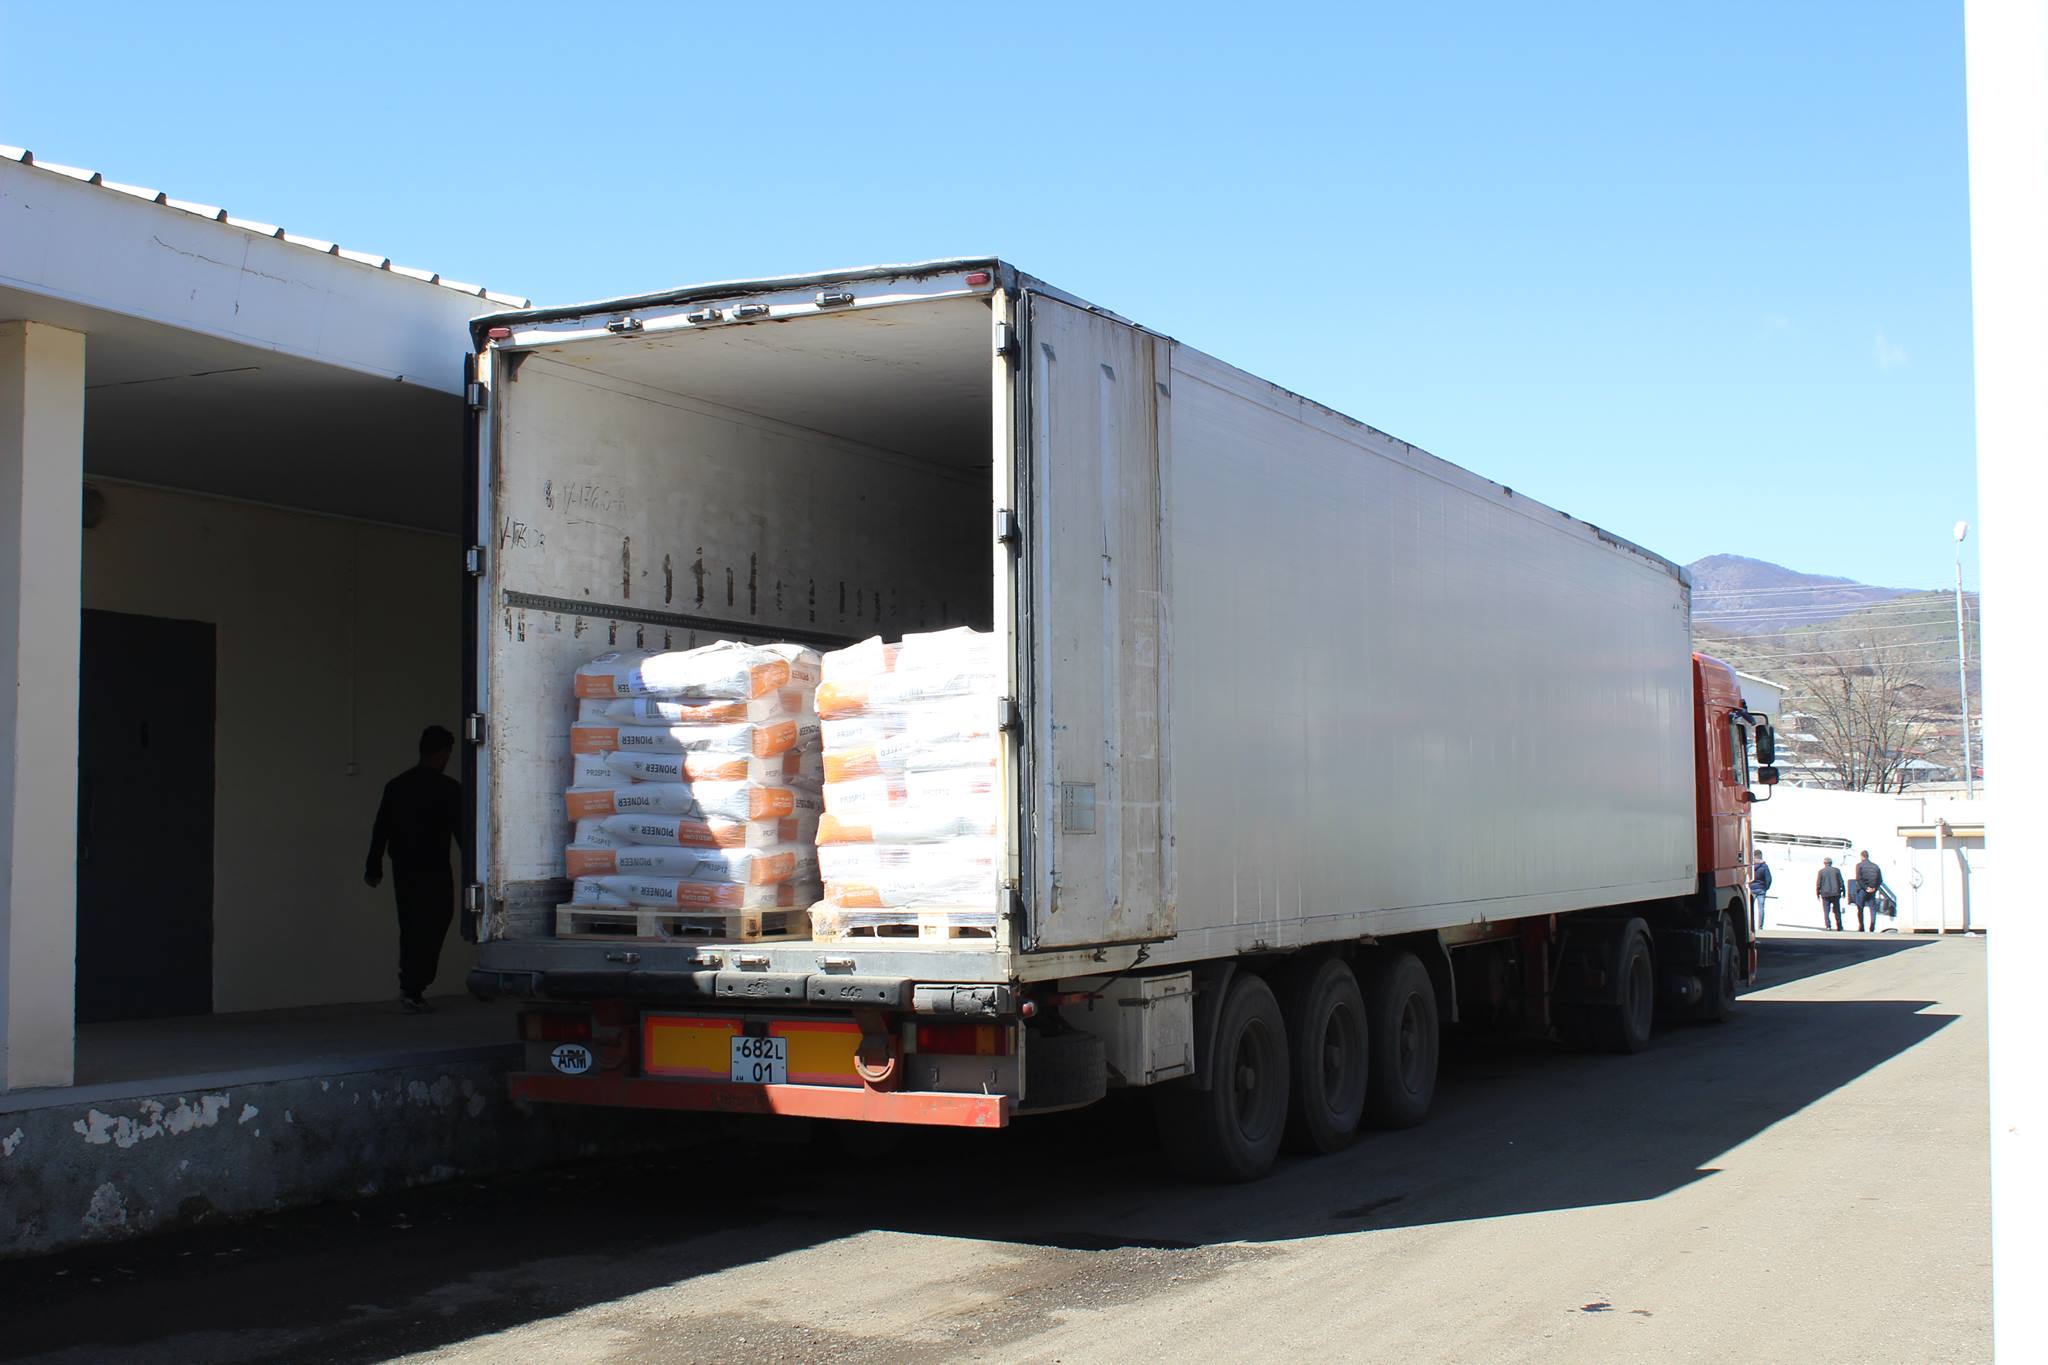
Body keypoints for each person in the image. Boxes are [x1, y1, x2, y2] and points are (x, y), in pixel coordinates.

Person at [365, 725, 462, 1013]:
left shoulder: (397, 786)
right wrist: (475, 868)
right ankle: (415, 984)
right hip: (435, 868)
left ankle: (411, 986)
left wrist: (373, 867)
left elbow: (380, 829)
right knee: (437, 921)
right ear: (444, 752)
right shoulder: (448, 789)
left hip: (404, 868)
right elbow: (462, 832)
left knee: (410, 925)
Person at [1853, 850, 1884, 933]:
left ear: (1862, 856)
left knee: (1860, 909)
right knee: (1873, 909)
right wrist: (1874, 888)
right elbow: (1880, 880)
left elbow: (1858, 879)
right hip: (1872, 891)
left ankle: (1861, 927)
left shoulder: (1859, 865)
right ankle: (1872, 927)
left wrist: (1866, 888)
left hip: (1862, 890)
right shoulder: (1875, 866)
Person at [1816, 856, 1846, 931]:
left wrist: (1817, 893)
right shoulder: (1837, 871)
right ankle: (1839, 926)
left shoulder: (1821, 872)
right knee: (1837, 910)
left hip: (1825, 894)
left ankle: (1828, 926)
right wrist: (1844, 892)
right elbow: (1841, 882)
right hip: (1836, 893)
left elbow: (1818, 884)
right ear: (1831, 863)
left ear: (1824, 863)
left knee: (1826, 911)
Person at [1749, 854, 1772, 930]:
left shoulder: (1750, 866)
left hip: (1752, 889)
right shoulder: (1764, 866)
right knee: (1761, 908)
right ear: (1761, 856)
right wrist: (1766, 888)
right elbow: (1768, 879)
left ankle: (1750, 926)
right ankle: (1760, 926)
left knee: (1750, 909)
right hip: (1761, 890)